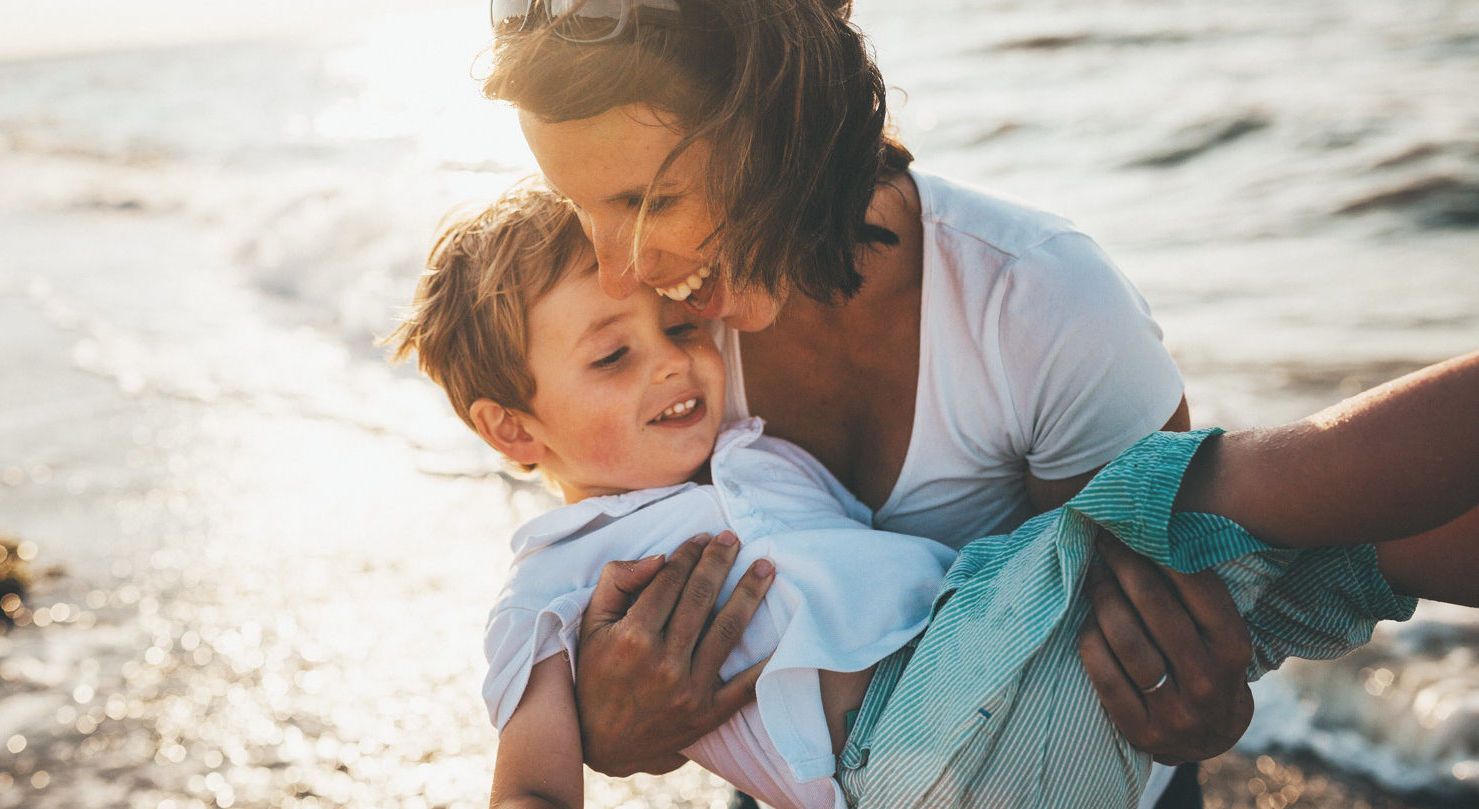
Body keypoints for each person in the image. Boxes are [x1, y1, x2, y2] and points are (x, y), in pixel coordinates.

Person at [384, 185, 1477, 808]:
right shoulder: (555, 574)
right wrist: (604, 732)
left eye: (677, 326)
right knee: (1203, 492)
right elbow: (529, 784)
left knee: (1354, 551)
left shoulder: (755, 454)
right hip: (908, 748)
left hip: (1015, 713)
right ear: (513, 429)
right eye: (611, 358)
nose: (675, 363)